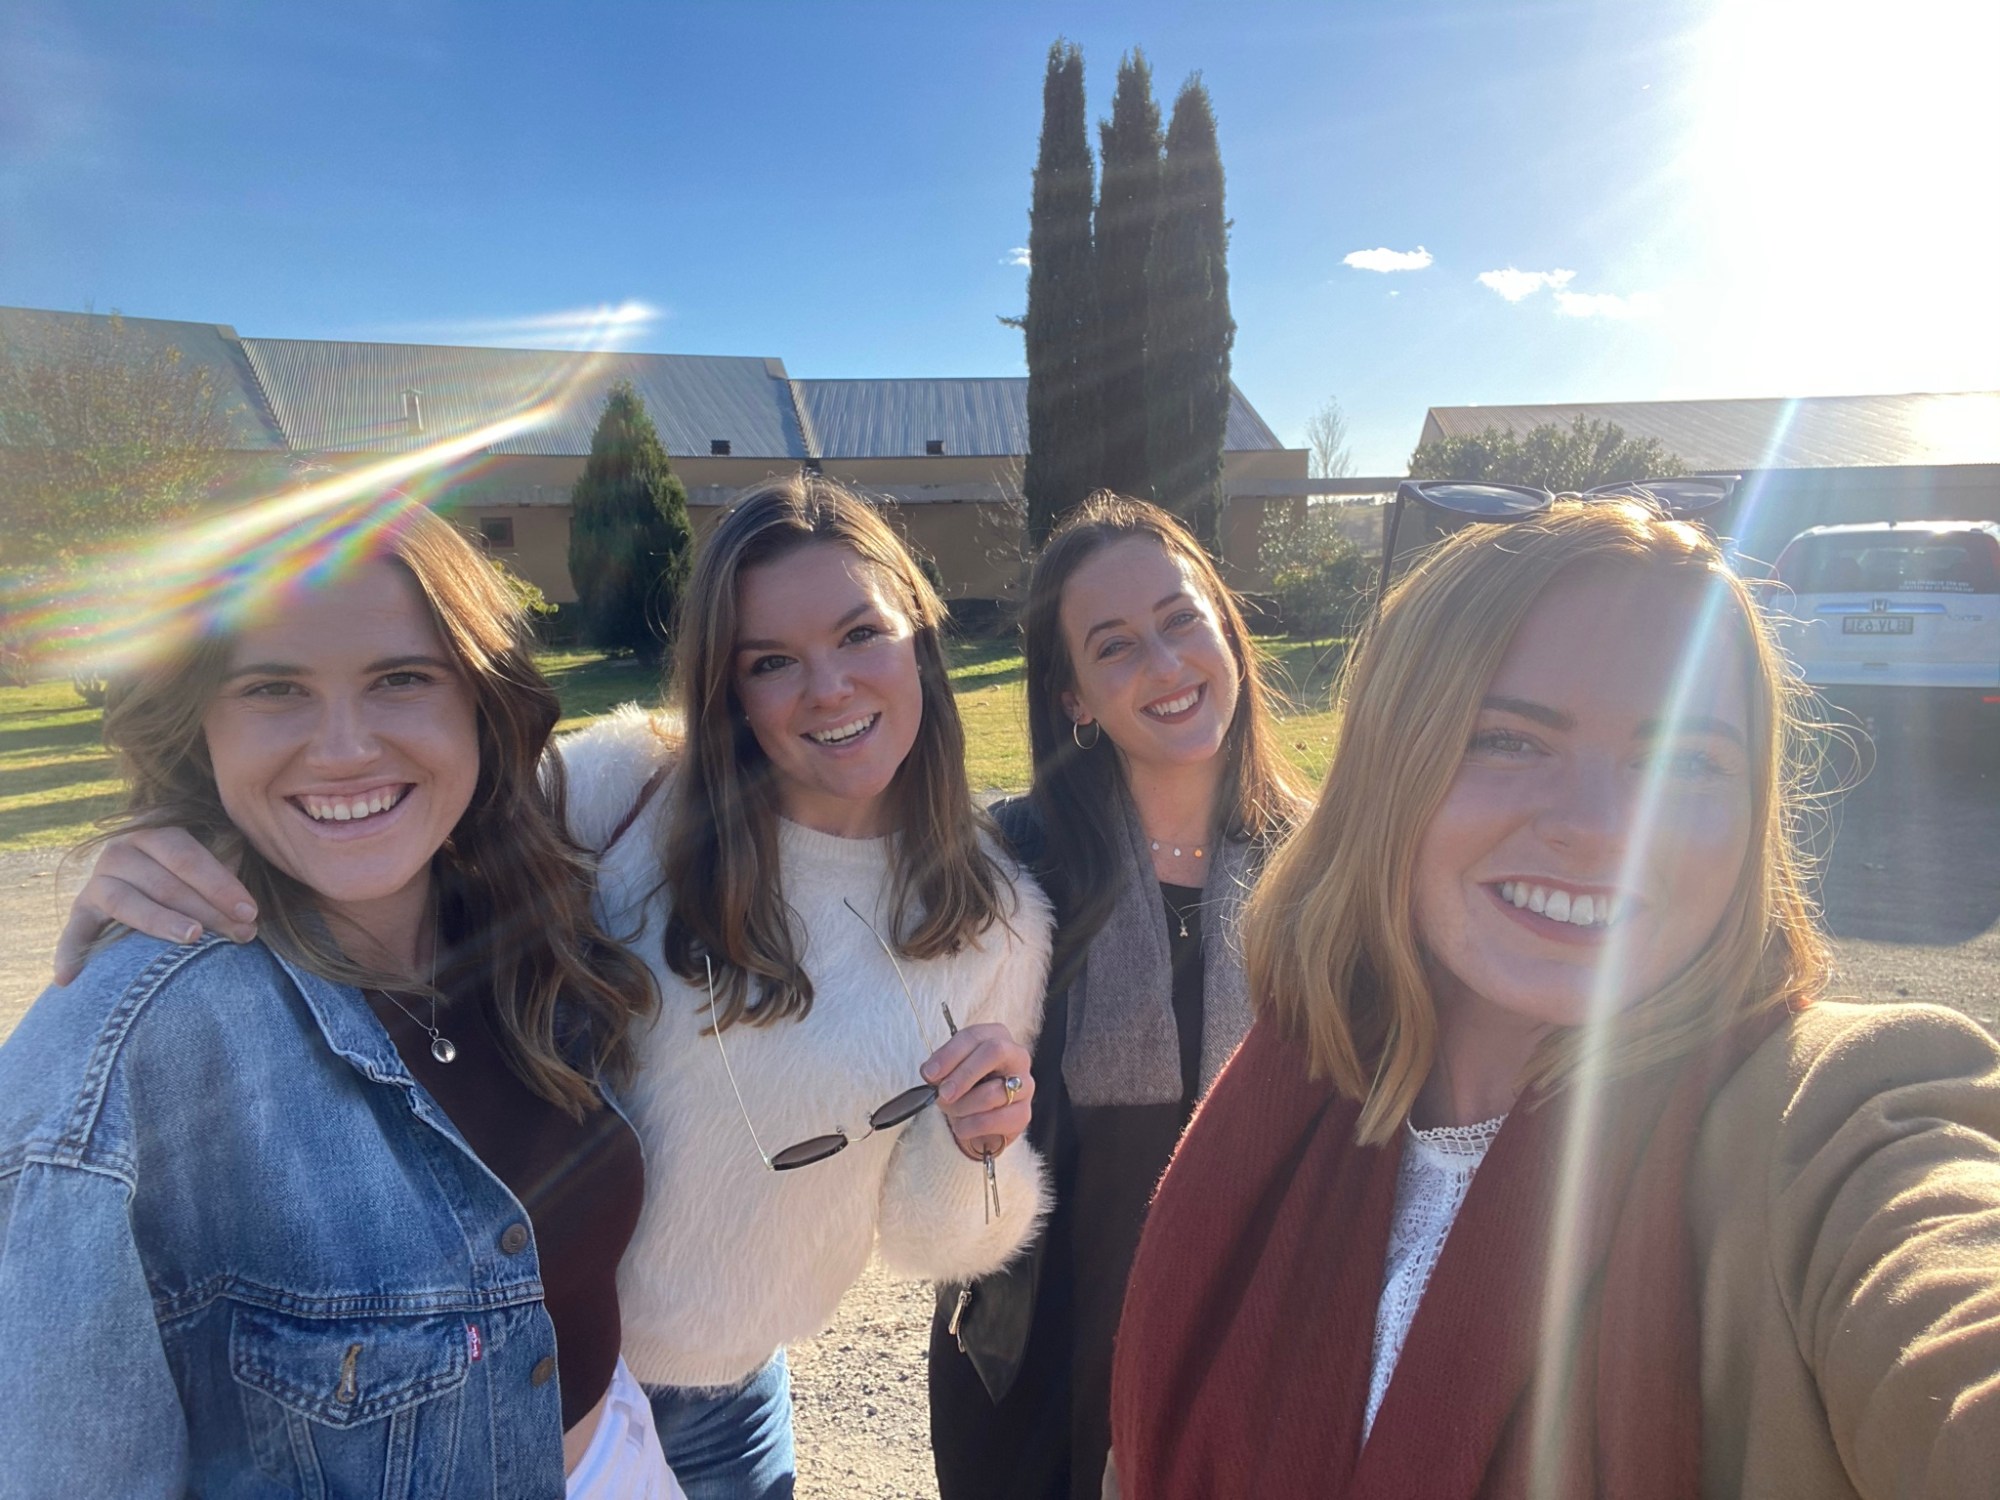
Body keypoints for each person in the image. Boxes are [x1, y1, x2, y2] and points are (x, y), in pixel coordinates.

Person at [56, 475, 1051, 1500]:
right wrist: (185, 842)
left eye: (860, 634)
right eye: (770, 661)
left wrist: (978, 1142)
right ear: (728, 685)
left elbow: (939, 1241)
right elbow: (393, 817)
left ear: (920, 631)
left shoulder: (996, 915)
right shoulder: (633, 787)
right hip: (514, 1368)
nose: (828, 688)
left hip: (732, 1403)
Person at [1109, 498, 2000, 1498]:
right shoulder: (1288, 1092)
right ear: (1383, 774)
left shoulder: (1837, 1120)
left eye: (1684, 761)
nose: (1602, 825)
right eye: (1508, 741)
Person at [0, 495, 683, 1496]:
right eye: (274, 688)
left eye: (400, 679)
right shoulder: (116, 1066)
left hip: (621, 1457)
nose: (343, 748)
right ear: (200, 725)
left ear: (481, 702)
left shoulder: (526, 923)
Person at [929, 494, 1308, 1500]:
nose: (1166, 663)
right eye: (1115, 646)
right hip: (1037, 1373)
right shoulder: (1004, 869)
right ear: (1074, 699)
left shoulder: (1324, 870)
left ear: (1226, 630)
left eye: (1182, 619)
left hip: (1251, 1360)